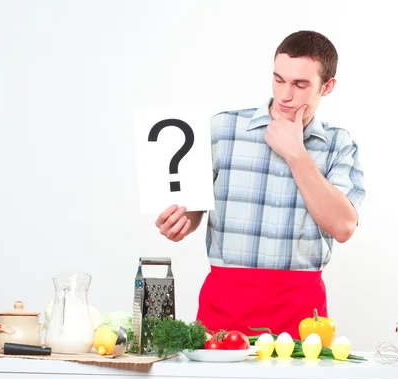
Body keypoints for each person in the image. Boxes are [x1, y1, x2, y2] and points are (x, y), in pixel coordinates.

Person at [155, 30, 365, 339]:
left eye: (300, 84)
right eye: (279, 79)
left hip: (303, 316)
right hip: (223, 310)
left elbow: (343, 227)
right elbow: (193, 211)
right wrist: (181, 221)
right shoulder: (222, 129)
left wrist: (296, 153)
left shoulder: (338, 143)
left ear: (328, 86)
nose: (284, 95)